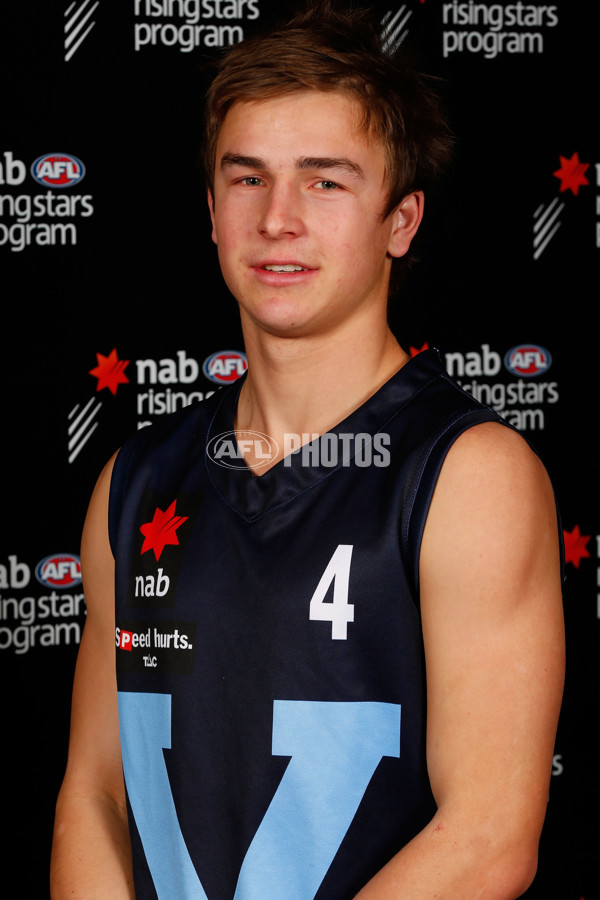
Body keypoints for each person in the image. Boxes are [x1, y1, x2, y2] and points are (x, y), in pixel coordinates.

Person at [50, 4, 565, 898]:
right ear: (211, 211)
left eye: (325, 183)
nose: (278, 218)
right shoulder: (132, 485)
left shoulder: (470, 475)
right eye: (248, 180)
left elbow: (486, 837)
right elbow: (96, 793)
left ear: (400, 221)